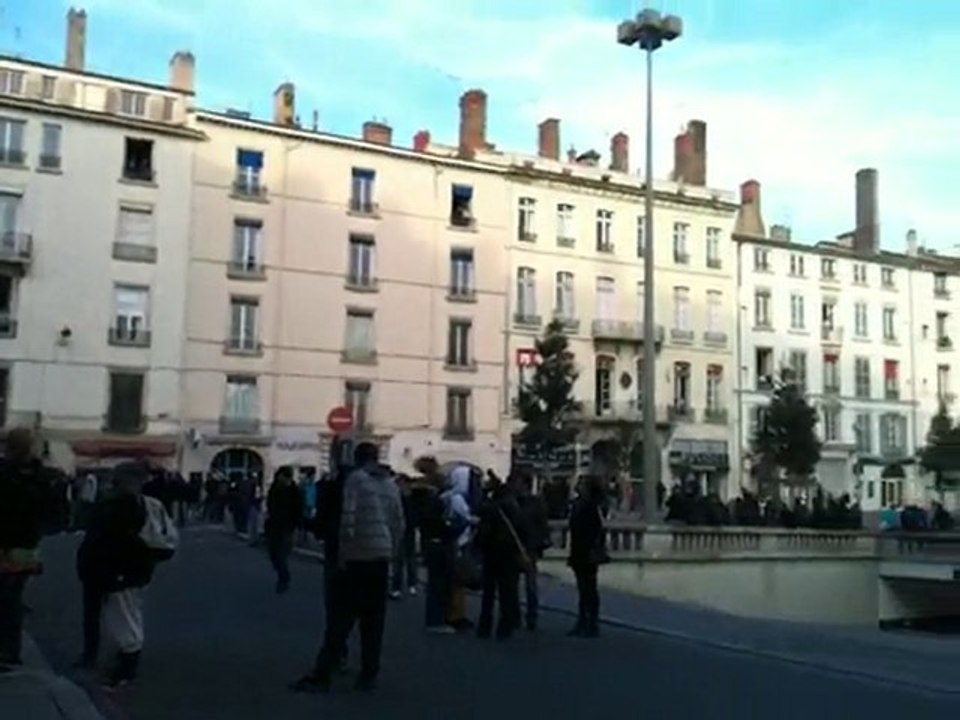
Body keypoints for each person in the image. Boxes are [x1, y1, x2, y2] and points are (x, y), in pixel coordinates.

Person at [293, 442, 404, 693]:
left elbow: (348, 519)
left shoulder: (356, 480)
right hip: (381, 557)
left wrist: (343, 555)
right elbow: (398, 523)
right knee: (374, 621)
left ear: (356, 458)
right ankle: (368, 675)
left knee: (341, 619)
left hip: (357, 557)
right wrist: (392, 553)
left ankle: (322, 675)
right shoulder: (390, 484)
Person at [76, 461, 170, 688]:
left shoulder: (126, 506)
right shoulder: (130, 504)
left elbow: (114, 538)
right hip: (114, 568)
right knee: (120, 614)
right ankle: (119, 658)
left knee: (124, 615)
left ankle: (126, 664)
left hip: (120, 569)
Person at [0, 428, 55, 670]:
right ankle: (10, 649)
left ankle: (7, 650)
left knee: (7, 598)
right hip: (28, 544)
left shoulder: (5, 472)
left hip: (6, 543)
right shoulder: (42, 476)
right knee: (12, 596)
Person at [475, 475, 526, 640]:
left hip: (492, 551)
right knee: (507, 592)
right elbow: (521, 528)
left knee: (488, 592)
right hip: (508, 552)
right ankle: (505, 626)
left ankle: (485, 626)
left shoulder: (491, 506)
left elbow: (480, 516)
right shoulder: (512, 505)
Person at [567, 476, 608, 639]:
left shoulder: (591, 506)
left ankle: (590, 622)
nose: (578, 486)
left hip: (587, 551)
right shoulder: (581, 504)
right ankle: (585, 621)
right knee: (584, 589)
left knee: (588, 589)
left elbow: (598, 530)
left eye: (581, 485)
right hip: (580, 550)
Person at [442, 464, 478, 630]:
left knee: (459, 581)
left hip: (460, 541)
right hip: (459, 542)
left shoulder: (451, 496)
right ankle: (455, 614)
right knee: (458, 581)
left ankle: (458, 613)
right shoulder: (457, 498)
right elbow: (466, 517)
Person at [514, 472, 550, 631]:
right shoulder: (515, 501)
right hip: (516, 546)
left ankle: (531, 616)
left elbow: (542, 525)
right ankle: (516, 615)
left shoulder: (533, 503)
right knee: (514, 584)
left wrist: (539, 543)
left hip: (529, 547)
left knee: (530, 585)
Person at [265, 468, 304, 594]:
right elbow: (270, 503)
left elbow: (299, 508)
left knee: (281, 553)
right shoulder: (274, 488)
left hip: (287, 526)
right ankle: (281, 573)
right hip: (274, 524)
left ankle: (284, 578)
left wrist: (296, 524)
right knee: (272, 553)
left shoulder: (294, 491)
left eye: (281, 476)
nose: (279, 479)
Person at [389, 474, 418, 600]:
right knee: (409, 558)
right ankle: (411, 584)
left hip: (401, 530)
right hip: (409, 530)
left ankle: (397, 587)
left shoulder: (399, 498)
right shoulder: (412, 498)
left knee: (399, 559)